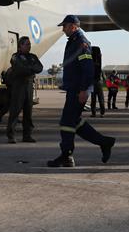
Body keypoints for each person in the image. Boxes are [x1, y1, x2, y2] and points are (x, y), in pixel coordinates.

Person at [47, 15, 116, 167]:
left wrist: (84, 90)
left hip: (78, 89)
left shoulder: (81, 42)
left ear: (73, 26)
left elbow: (88, 67)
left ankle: (66, 155)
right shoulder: (73, 41)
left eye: (64, 26)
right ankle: (104, 142)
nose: (63, 29)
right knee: (74, 121)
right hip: (74, 88)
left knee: (67, 122)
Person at [6, 36, 43, 143]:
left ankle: (27, 135)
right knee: (15, 111)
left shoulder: (33, 57)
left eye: (29, 44)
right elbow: (19, 68)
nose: (29, 46)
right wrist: (31, 69)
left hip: (29, 87)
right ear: (20, 46)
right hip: (19, 86)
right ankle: (11, 135)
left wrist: (29, 69)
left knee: (28, 112)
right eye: (26, 44)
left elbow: (39, 67)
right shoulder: (15, 57)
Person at [90, 47, 106, 117]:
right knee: (101, 98)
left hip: (93, 83)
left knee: (93, 99)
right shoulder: (100, 69)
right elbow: (104, 78)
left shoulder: (90, 67)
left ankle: (93, 113)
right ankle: (102, 113)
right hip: (99, 82)